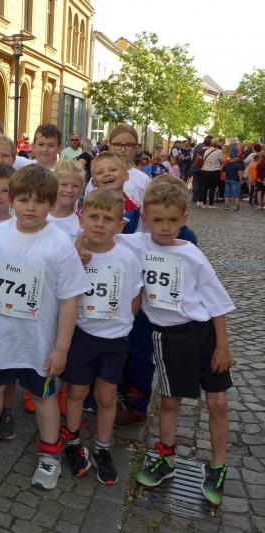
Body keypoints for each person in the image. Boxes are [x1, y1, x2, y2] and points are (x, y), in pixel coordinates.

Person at [0, 165, 91, 490]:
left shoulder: (59, 243)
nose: (30, 208)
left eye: (39, 201)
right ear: (11, 200)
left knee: (44, 395)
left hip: (39, 341)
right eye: (23, 200)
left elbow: (69, 300)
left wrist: (61, 348)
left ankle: (50, 452)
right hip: (0, 334)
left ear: (51, 203)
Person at [126, 177, 234, 506]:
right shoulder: (136, 244)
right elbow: (99, 237)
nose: (165, 227)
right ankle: (166, 457)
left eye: (173, 220)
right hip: (168, 337)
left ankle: (218, 466)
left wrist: (223, 345)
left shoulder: (191, 254)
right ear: (145, 217)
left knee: (218, 402)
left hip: (202, 333)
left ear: (184, 219)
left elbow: (216, 302)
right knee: (170, 400)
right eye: (157, 219)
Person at [60, 188, 143, 485]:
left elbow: (135, 296)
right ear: (82, 218)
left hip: (114, 339)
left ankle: (102, 448)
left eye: (107, 219)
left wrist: (124, 323)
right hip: (82, 334)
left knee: (106, 396)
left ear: (120, 226)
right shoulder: (73, 252)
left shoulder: (127, 257)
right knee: (77, 392)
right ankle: (72, 441)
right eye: (93, 216)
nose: (99, 224)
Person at [48, 161, 85, 240]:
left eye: (75, 186)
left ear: (81, 189)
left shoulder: (81, 223)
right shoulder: (39, 215)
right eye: (64, 184)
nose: (69, 190)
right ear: (53, 185)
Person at [199, 139, 224, 208]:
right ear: (217, 144)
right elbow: (222, 160)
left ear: (210, 144)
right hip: (214, 171)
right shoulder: (219, 151)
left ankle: (204, 204)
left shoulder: (206, 151)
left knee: (205, 187)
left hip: (205, 170)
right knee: (212, 188)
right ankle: (210, 204)